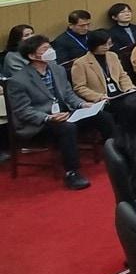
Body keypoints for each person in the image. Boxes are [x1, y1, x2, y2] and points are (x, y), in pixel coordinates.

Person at [4, 34, 115, 189]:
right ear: (32, 55)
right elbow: (23, 111)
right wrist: (49, 117)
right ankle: (72, 172)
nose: (51, 50)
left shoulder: (57, 69)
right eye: (45, 49)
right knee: (66, 128)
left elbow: (69, 94)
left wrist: (83, 104)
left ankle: (116, 151)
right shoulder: (18, 80)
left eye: (50, 47)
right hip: (39, 123)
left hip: (64, 114)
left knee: (101, 115)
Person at [69, 30, 136, 103]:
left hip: (120, 93)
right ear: (94, 44)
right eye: (103, 45)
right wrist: (99, 97)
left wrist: (129, 89)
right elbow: (80, 88)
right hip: (103, 99)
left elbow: (122, 75)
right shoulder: (80, 63)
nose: (107, 47)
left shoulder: (112, 56)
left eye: (109, 44)